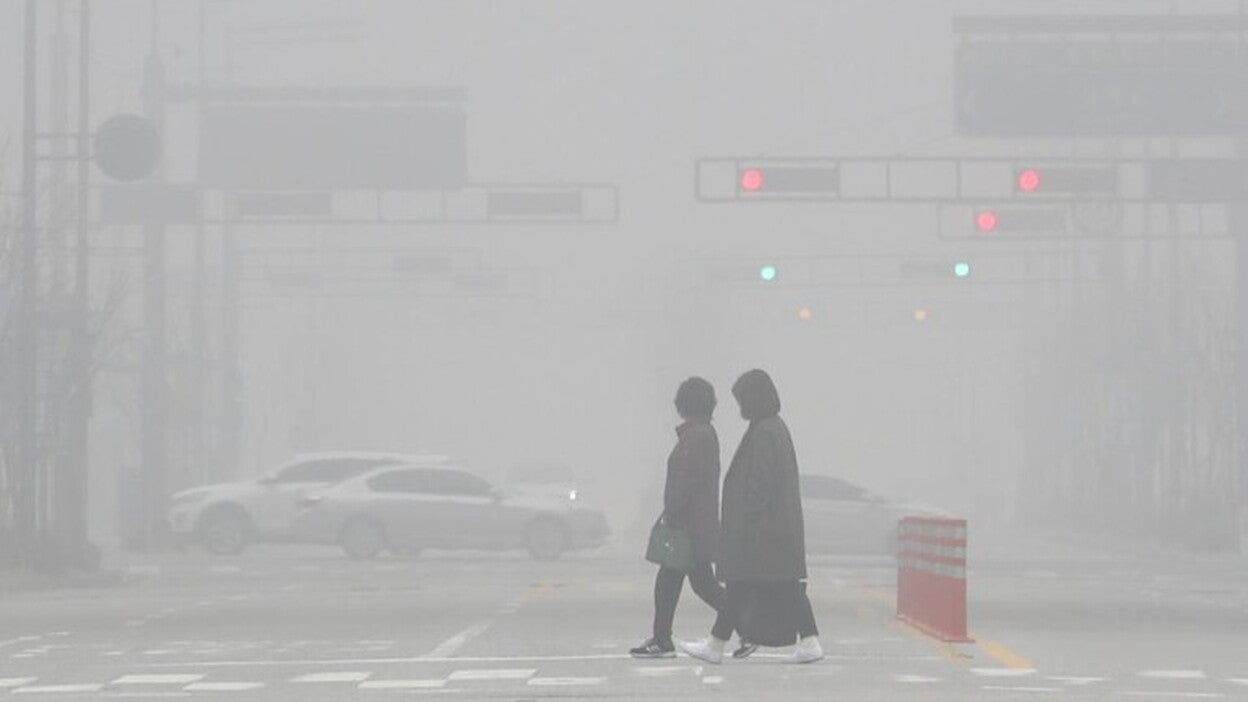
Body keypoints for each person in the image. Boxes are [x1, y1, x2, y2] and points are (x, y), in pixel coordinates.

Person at [680, 369, 824, 665]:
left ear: (754, 398)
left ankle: (717, 645)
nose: (740, 406)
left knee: (754, 586)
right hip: (771, 533)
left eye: (742, 399)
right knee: (761, 587)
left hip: (762, 533)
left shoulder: (766, 431)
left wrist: (745, 520)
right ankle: (719, 644)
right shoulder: (771, 428)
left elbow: (760, 483)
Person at [630, 377, 726, 658]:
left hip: (687, 525)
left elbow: (685, 482)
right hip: (695, 522)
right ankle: (746, 627)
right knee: (696, 584)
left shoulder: (696, 437)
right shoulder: (702, 434)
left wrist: (670, 514)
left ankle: (663, 639)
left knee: (682, 583)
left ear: (685, 404)